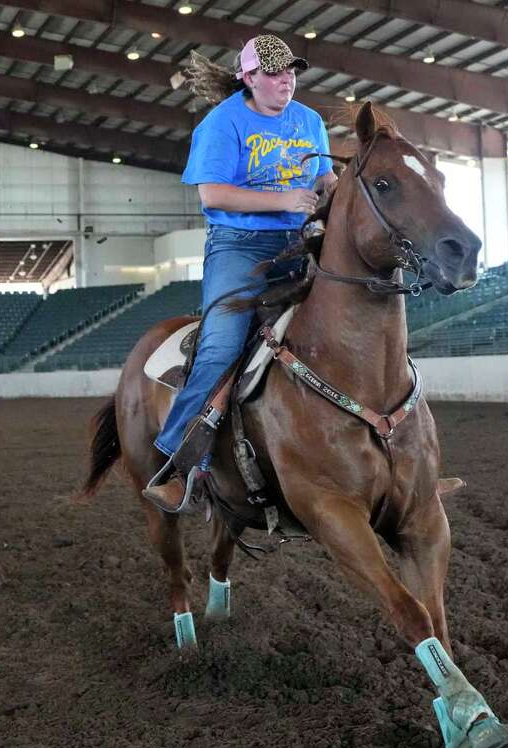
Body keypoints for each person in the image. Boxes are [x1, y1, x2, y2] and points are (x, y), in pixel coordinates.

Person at [143, 34, 337, 514]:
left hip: (299, 243)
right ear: (248, 78)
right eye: (273, 72)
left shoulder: (309, 121)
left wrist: (336, 193)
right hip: (239, 246)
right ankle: (177, 461)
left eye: (290, 70)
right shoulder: (222, 122)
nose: (285, 79)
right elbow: (212, 195)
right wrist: (284, 200)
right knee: (222, 347)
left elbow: (325, 180)